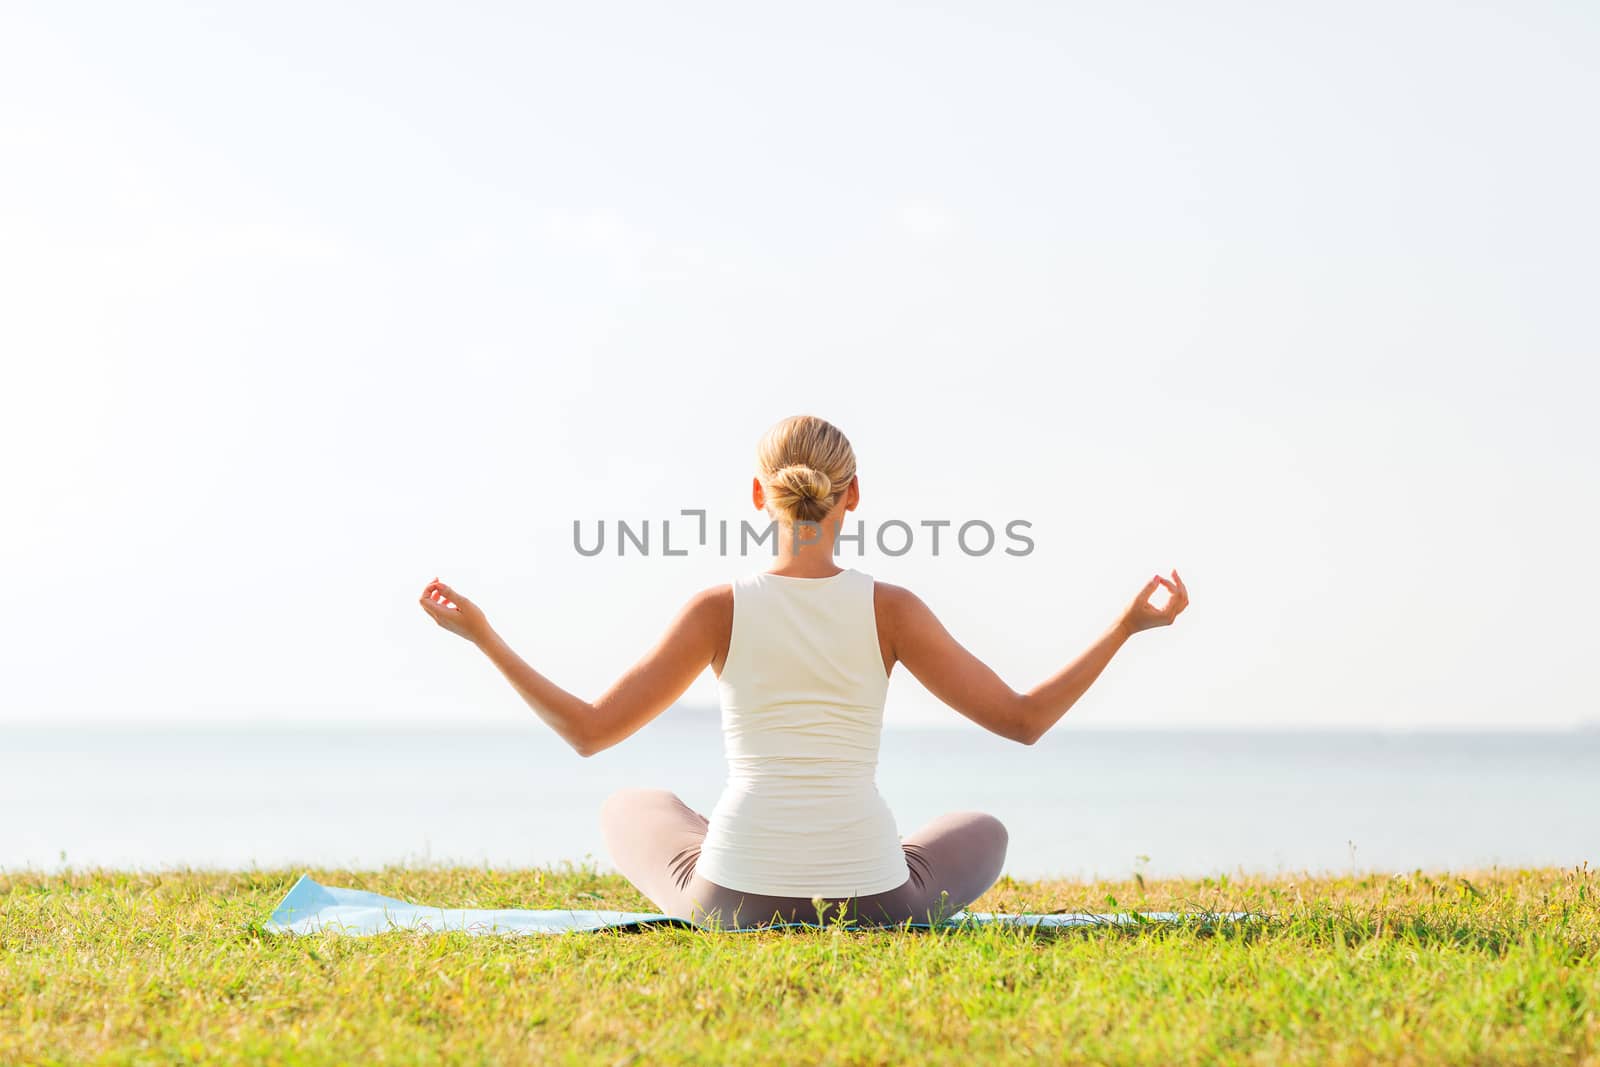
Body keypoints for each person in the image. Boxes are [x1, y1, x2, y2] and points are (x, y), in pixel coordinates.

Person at [419, 415, 1188, 929]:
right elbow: (1023, 720)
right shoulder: (893, 610)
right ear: (854, 495)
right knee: (984, 829)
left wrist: (482, 635)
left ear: (760, 496)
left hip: (732, 900)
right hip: (878, 901)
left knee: (633, 802)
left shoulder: (717, 609)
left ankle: (747, 842)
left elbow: (589, 732)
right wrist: (1128, 625)